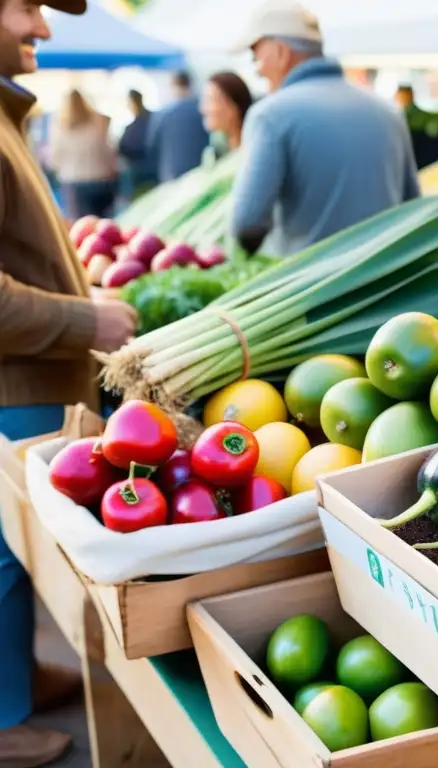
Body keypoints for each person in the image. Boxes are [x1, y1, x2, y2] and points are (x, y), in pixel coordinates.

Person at [0, 1, 137, 765]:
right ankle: (1, 719)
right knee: (1, 555)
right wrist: (88, 322)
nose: (44, 28)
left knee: (16, 554)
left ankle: (14, 681)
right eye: (24, 5)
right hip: (14, 384)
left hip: (32, 380)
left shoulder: (6, 115)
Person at [230, 0, 419, 256]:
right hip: (384, 286)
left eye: (256, 55)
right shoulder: (388, 112)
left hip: (312, 290)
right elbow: (413, 207)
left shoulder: (270, 115)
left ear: (280, 52)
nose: (257, 68)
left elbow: (247, 224)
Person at [46, 89, 118, 218]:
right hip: (100, 180)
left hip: (73, 182)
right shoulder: (99, 122)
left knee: (80, 228)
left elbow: (55, 159)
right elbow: (109, 152)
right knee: (103, 226)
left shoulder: (59, 125)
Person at [147, 70, 210, 183]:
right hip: (199, 173)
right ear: (189, 84)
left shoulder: (162, 114)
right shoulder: (201, 109)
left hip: (170, 174)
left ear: (172, 85)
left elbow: (151, 144)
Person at [200, 71, 254, 155]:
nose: (203, 109)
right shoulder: (217, 146)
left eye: (210, 100)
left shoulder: (251, 151)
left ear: (233, 108)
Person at [118, 89, 157, 195]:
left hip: (141, 173)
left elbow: (122, 148)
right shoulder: (154, 120)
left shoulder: (133, 128)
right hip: (153, 171)